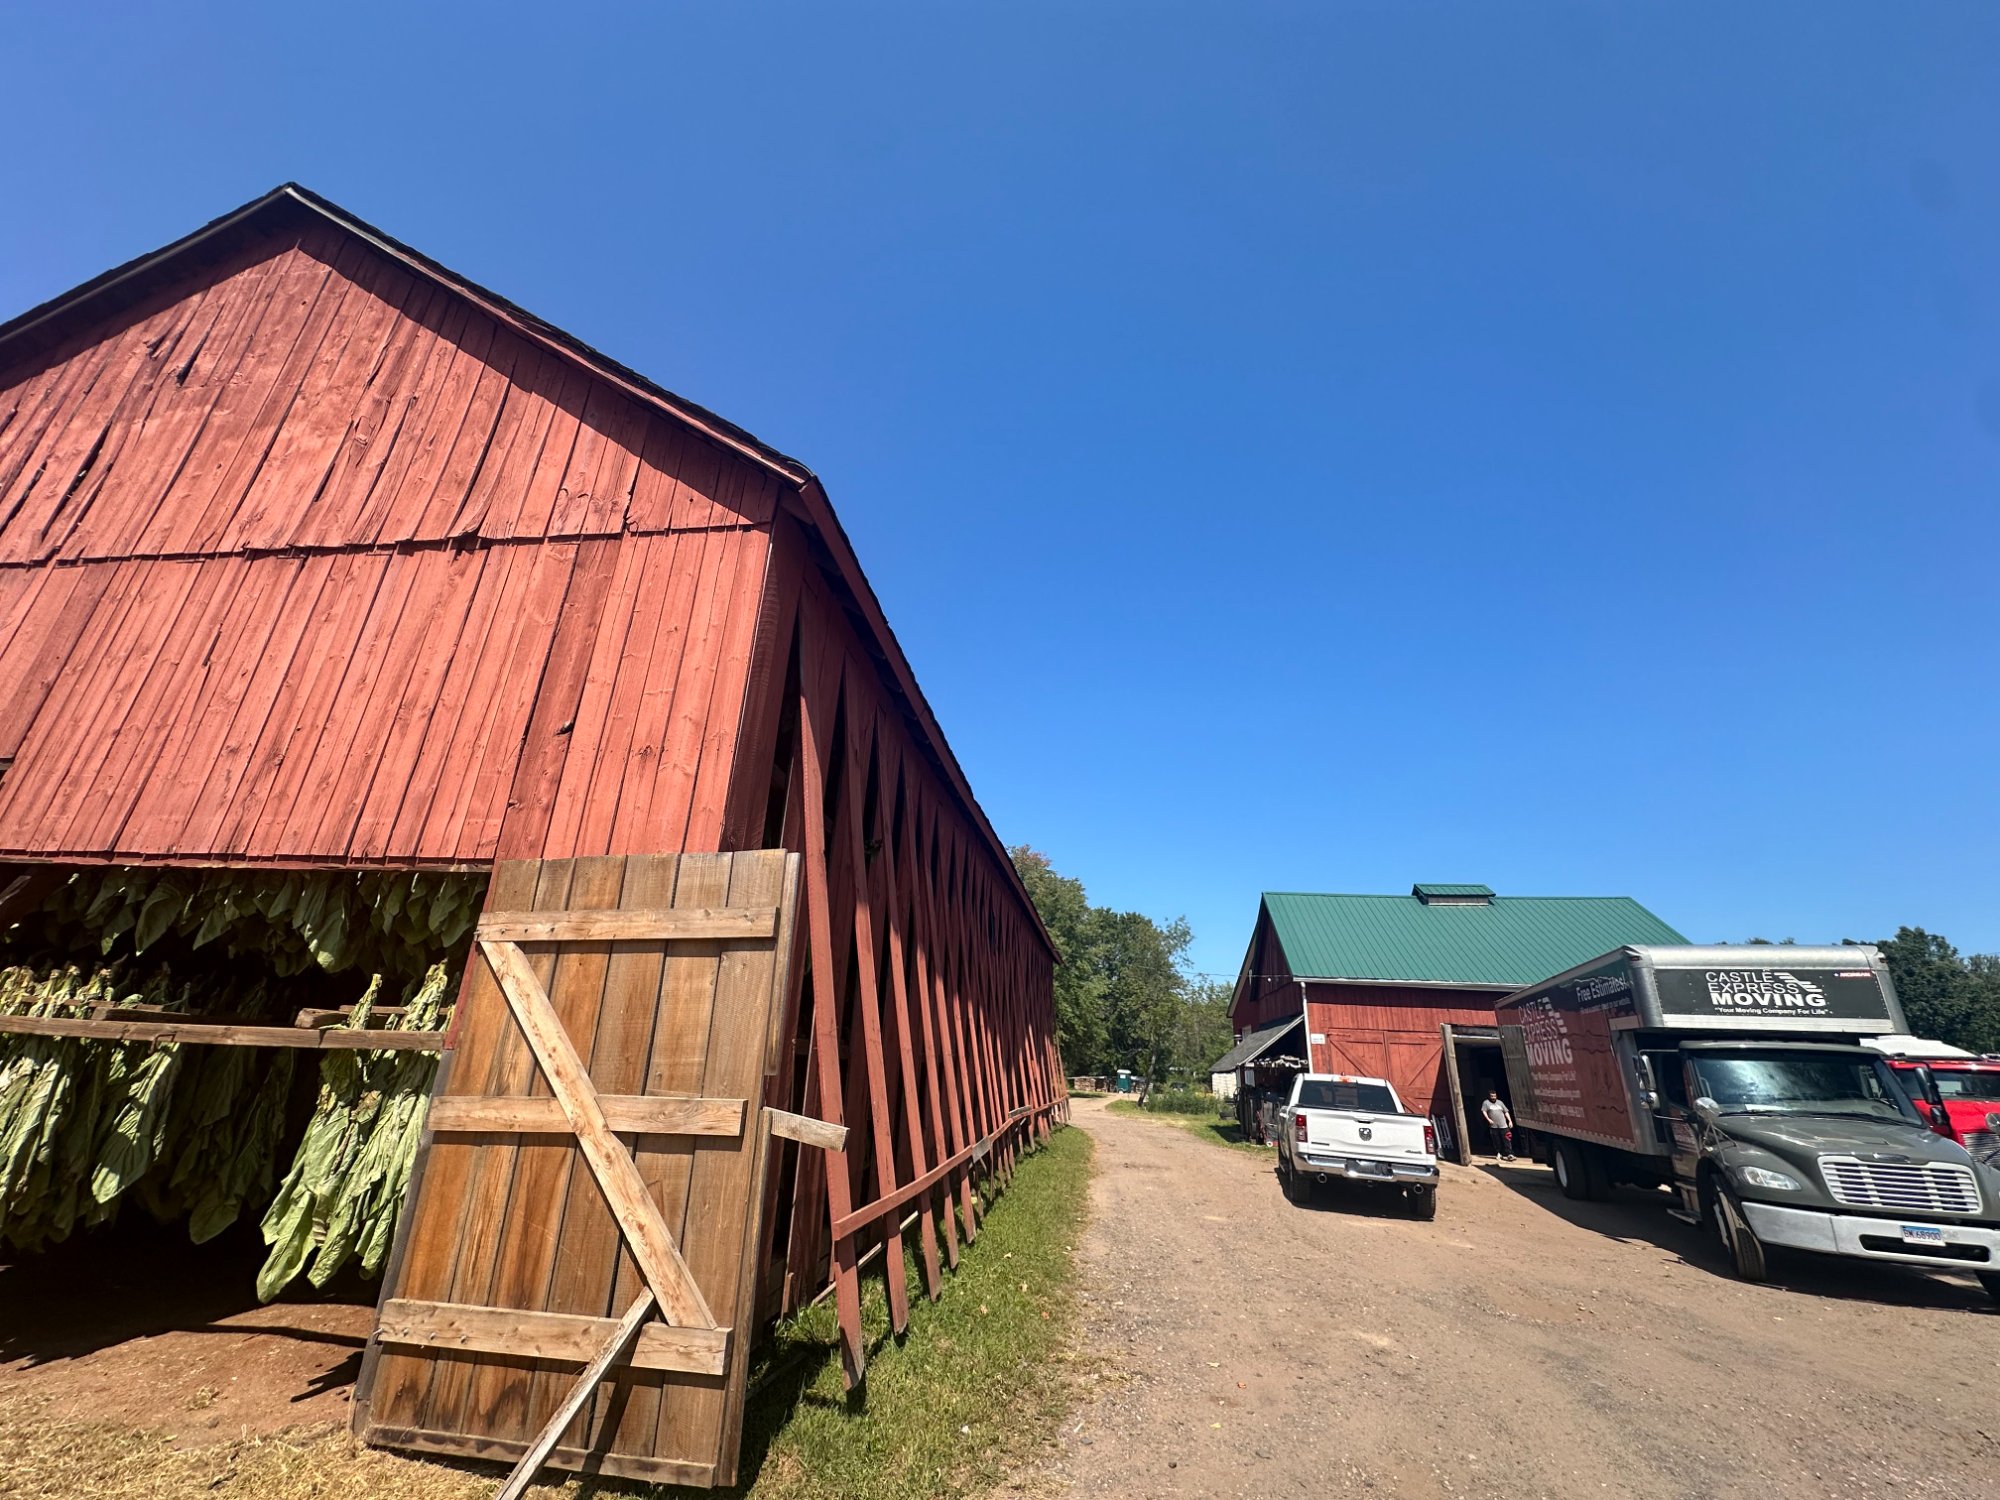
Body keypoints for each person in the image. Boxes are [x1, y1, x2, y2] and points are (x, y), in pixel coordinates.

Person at [1480, 1090, 1515, 1161]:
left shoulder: (1500, 1102)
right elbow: (1484, 1111)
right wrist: (1488, 1119)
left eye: (1494, 1096)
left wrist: (1510, 1121)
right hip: (1494, 1126)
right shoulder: (1486, 1103)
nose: (1493, 1098)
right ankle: (1499, 1153)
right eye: (1492, 1096)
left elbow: (1506, 1112)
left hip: (1503, 1125)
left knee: (1507, 1139)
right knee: (1496, 1140)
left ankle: (1509, 1154)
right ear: (1489, 1096)